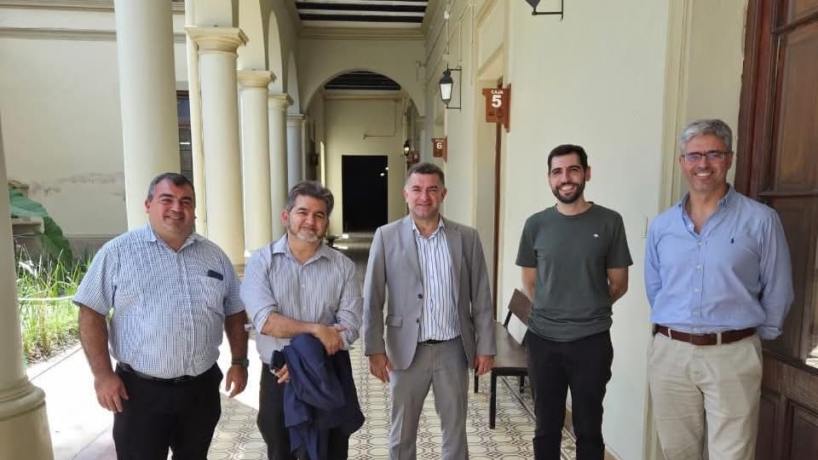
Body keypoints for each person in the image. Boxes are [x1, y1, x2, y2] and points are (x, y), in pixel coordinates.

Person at [645, 119, 793, 460]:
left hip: (733, 352)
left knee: (732, 454)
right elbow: (656, 287)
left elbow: (779, 286)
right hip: (670, 353)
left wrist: (752, 337)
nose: (703, 164)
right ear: (682, 162)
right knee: (677, 451)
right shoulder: (662, 226)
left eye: (714, 154)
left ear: (729, 159)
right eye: (694, 155)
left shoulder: (760, 220)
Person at [74, 172, 248, 459]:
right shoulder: (117, 253)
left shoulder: (215, 256)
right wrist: (103, 375)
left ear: (194, 209)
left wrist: (239, 362)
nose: (177, 208)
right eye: (167, 200)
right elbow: (90, 312)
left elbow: (235, 311)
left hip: (201, 390)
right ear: (148, 205)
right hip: (139, 392)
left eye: (186, 201)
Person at [364, 162, 496, 460]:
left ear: (443, 194)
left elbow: (481, 295)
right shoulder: (386, 236)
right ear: (406, 194)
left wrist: (486, 346)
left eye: (432, 189)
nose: (424, 197)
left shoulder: (466, 237)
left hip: (453, 348)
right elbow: (372, 297)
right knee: (402, 433)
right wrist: (374, 348)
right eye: (417, 189)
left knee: (455, 430)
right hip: (405, 351)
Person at [516, 144, 632, 460]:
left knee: (589, 428)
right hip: (543, 341)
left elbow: (619, 283)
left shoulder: (609, 222)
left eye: (573, 170)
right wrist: (554, 311)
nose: (565, 178)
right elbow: (530, 283)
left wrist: (588, 307)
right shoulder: (536, 224)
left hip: (591, 342)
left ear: (587, 173)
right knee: (546, 427)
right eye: (557, 172)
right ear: (549, 178)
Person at [240, 181, 363, 460]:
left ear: (326, 223)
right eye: (302, 212)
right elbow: (266, 321)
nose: (310, 221)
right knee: (281, 451)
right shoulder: (261, 262)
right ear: (286, 216)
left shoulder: (342, 267)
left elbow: (350, 326)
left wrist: (302, 360)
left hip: (327, 374)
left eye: (319, 215)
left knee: (331, 451)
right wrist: (317, 330)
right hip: (278, 378)